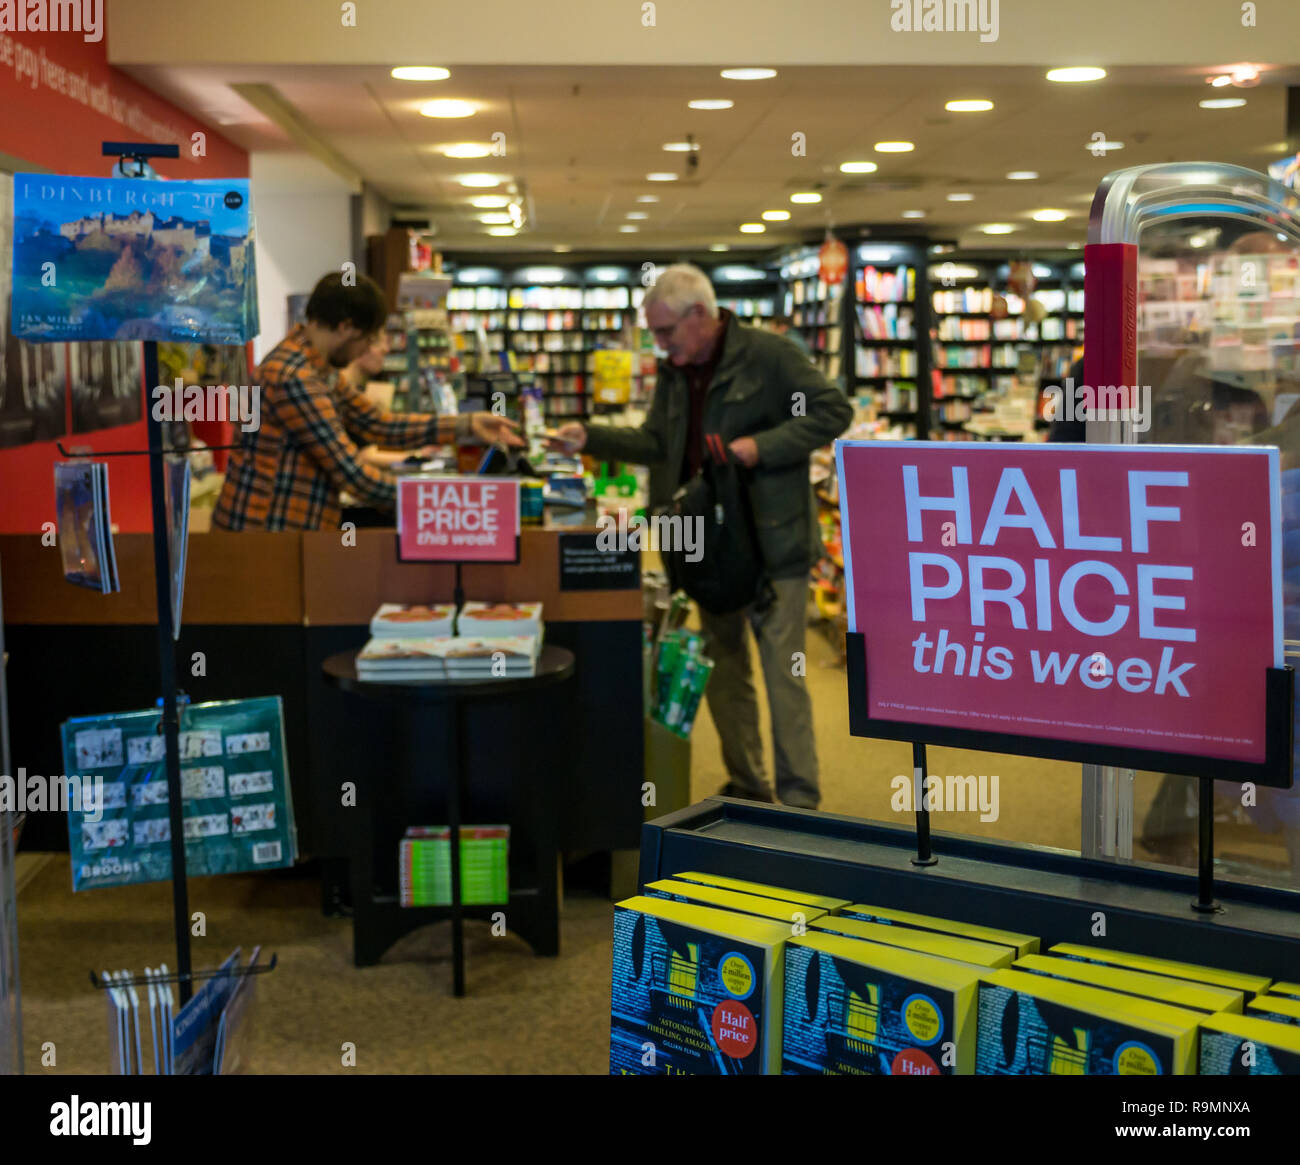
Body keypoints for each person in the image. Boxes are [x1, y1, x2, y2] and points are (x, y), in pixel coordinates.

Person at [547, 263, 853, 808]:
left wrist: (762, 447)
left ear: (699, 316)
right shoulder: (674, 372)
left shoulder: (769, 356)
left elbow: (834, 410)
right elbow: (655, 444)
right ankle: (750, 788)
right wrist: (588, 438)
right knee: (724, 670)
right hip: (701, 545)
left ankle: (801, 804)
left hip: (770, 543)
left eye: (664, 332)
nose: (659, 345)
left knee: (785, 675)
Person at [213, 272, 521, 531]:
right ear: (346, 327)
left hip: (281, 530)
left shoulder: (317, 368)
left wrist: (467, 423)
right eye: (368, 339)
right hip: (265, 535)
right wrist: (449, 501)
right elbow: (352, 473)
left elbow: (376, 423)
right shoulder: (294, 377)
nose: (366, 350)